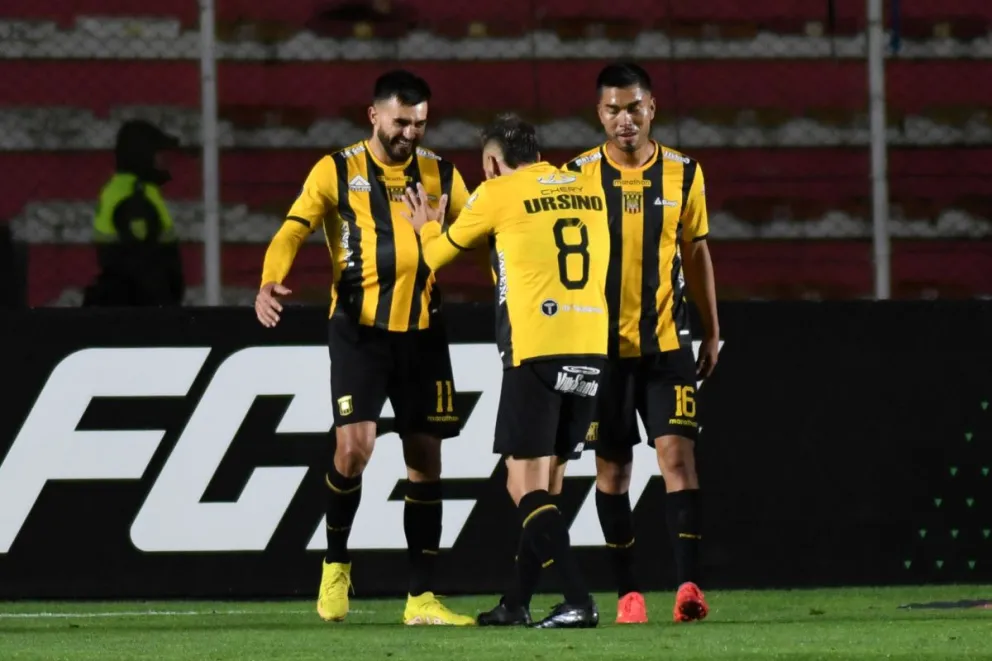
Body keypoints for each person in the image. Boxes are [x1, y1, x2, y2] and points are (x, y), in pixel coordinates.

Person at [255, 69, 476, 626]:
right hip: (359, 331)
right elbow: (291, 229)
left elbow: (480, 231)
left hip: (424, 332)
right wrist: (268, 279)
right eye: (401, 121)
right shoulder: (336, 169)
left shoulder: (442, 173)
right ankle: (335, 564)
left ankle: (421, 598)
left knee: (426, 459)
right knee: (354, 449)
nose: (411, 132)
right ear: (373, 115)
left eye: (420, 123)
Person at [401, 113, 609, 629]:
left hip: (536, 348)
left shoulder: (496, 192)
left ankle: (579, 598)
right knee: (551, 483)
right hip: (593, 345)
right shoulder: (587, 187)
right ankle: (515, 602)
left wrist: (426, 222)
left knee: (522, 485)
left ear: (493, 161)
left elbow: (437, 255)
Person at [563, 62, 721, 624]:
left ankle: (688, 586)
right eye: (612, 109)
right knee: (613, 472)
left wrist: (713, 328)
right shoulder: (576, 175)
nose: (624, 119)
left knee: (677, 456)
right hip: (601, 350)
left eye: (634, 107)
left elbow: (697, 251)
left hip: (666, 343)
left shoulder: (684, 172)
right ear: (598, 113)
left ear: (652, 107)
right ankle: (628, 593)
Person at [83, 119, 185, 307]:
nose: (164, 162)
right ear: (143, 155)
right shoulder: (134, 195)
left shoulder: (125, 188)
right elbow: (141, 261)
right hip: (138, 305)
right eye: (159, 155)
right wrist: (163, 304)